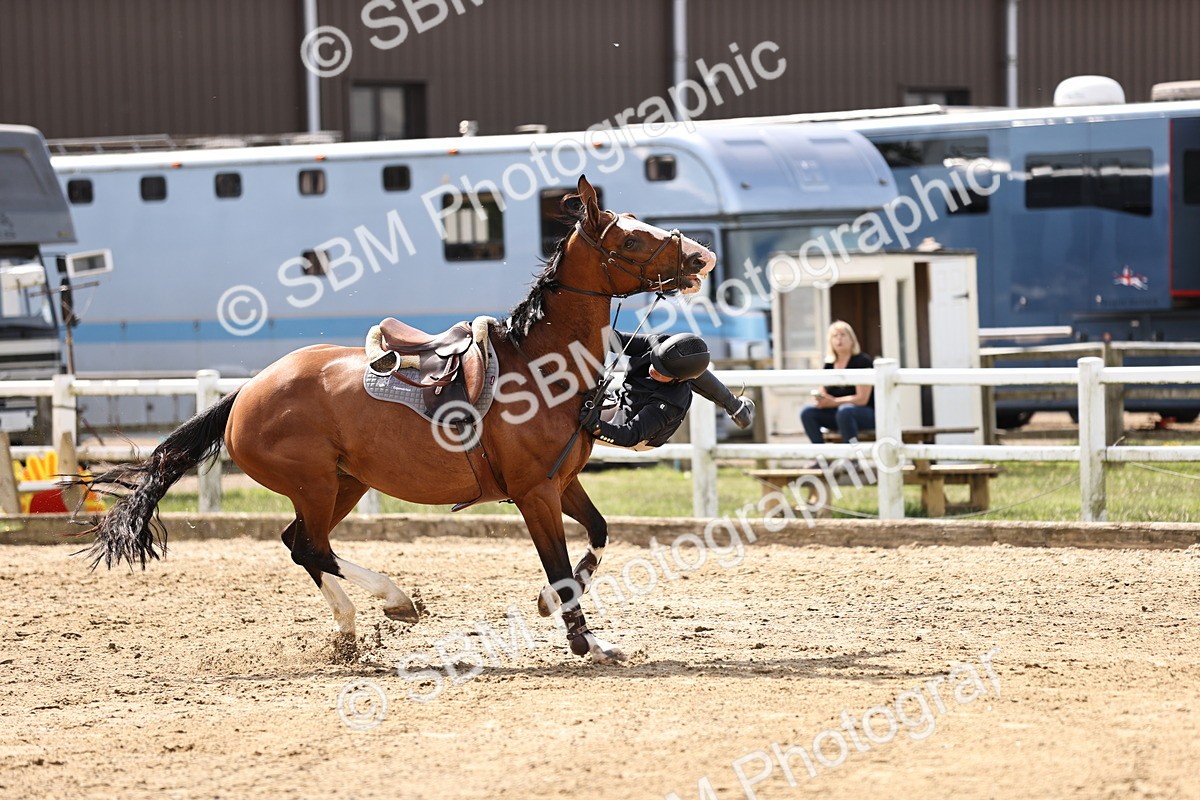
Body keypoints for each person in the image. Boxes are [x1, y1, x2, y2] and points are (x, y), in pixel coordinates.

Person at [579, 332, 754, 449]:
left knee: (575, 424)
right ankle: (737, 408)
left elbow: (631, 434)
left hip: (640, 436)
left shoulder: (672, 400)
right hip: (623, 403)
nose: (653, 369)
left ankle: (736, 408)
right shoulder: (660, 345)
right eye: (656, 361)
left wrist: (596, 427)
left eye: (662, 372)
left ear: (678, 379)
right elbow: (612, 338)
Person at [800, 320, 875, 445]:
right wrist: (821, 400)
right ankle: (822, 458)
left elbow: (862, 399)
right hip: (837, 413)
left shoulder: (862, 361)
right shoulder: (829, 365)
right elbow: (823, 391)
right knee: (807, 413)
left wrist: (834, 402)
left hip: (863, 414)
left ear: (852, 340)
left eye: (843, 335)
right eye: (835, 336)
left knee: (845, 411)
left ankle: (851, 458)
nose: (839, 339)